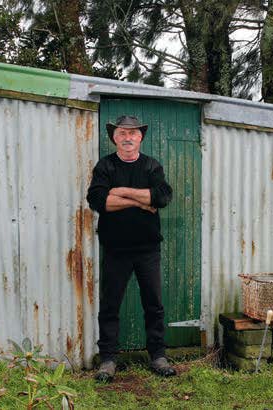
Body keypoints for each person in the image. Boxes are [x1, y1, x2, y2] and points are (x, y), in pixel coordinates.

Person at [86, 115, 176, 382]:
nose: (128, 138)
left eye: (133, 133)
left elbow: (161, 197)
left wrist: (120, 192)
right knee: (110, 305)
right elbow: (99, 201)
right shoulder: (105, 166)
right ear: (114, 137)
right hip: (116, 249)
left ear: (140, 138)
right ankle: (108, 360)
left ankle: (158, 356)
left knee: (154, 304)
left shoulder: (151, 166)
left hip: (148, 249)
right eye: (122, 133)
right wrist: (140, 200)